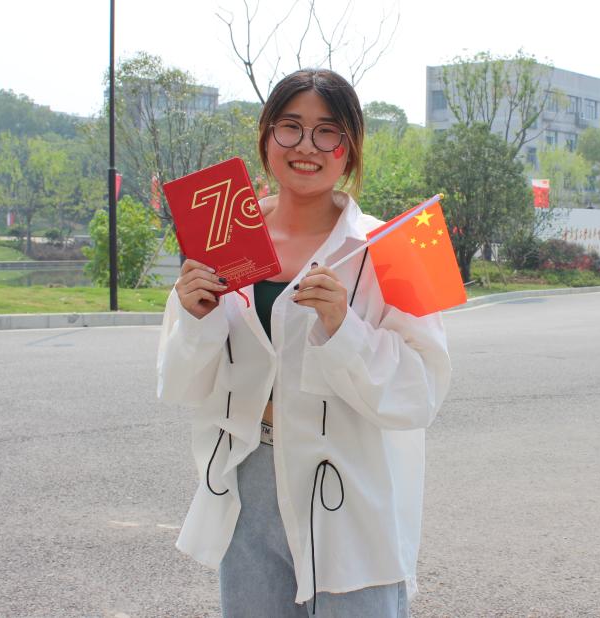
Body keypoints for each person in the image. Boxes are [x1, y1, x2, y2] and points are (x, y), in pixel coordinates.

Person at [157, 68, 451, 617]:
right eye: (290, 127)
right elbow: (178, 384)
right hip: (250, 482)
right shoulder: (223, 236)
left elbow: (422, 393)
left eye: (327, 131)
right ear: (266, 135)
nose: (306, 146)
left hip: (351, 488)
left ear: (350, 146)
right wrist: (195, 319)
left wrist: (344, 327)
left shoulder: (399, 246)